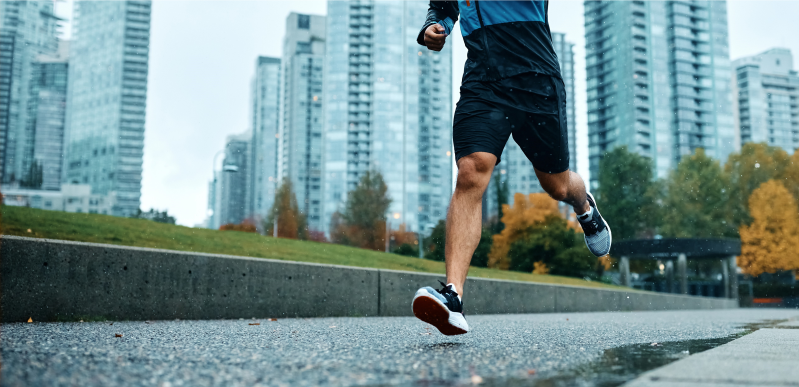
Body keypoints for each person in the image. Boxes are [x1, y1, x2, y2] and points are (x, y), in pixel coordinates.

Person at [411, 0, 612, 336]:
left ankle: (584, 205)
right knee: (470, 171)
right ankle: (453, 297)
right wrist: (438, 25)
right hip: (483, 82)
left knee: (557, 186)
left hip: (536, 78)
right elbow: (444, 6)